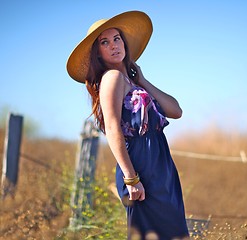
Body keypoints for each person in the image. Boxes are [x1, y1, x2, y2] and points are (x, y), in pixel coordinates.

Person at [67, 11, 189, 240]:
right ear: (98, 54)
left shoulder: (131, 82)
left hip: (162, 165)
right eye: (105, 42)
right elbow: (113, 129)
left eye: (116, 38)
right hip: (140, 167)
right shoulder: (111, 78)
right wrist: (131, 178)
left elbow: (176, 111)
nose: (113, 45)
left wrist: (141, 80)